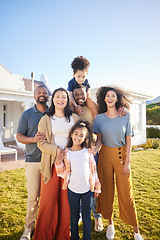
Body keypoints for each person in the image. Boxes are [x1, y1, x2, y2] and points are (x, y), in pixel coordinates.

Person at [93, 86, 144, 240]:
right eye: (107, 95)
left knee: (126, 193)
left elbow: (128, 141)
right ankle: (110, 224)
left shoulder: (125, 116)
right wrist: (95, 149)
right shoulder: (99, 118)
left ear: (117, 99)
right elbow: (99, 139)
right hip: (104, 157)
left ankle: (136, 231)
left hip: (121, 156)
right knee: (106, 192)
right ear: (104, 98)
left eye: (113, 96)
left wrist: (127, 162)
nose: (110, 98)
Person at [33, 88, 79, 240]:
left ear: (67, 100)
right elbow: (41, 143)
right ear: (52, 100)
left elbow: (82, 137)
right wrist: (56, 151)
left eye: (63, 97)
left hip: (70, 165)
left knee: (66, 202)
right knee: (48, 201)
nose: (60, 99)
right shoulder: (46, 119)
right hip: (51, 164)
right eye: (57, 97)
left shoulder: (74, 117)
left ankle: (63, 236)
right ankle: (42, 236)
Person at [56, 120, 101, 240]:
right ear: (71, 135)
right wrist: (57, 163)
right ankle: (74, 237)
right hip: (73, 190)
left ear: (85, 137)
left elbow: (93, 171)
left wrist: (96, 187)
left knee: (86, 217)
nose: (78, 137)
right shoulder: (67, 153)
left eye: (81, 135)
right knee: (74, 217)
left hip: (87, 190)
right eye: (76, 134)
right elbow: (62, 172)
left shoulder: (88, 152)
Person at [17, 86, 49, 240]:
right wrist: (33, 139)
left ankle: (46, 226)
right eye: (39, 92)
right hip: (32, 161)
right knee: (33, 197)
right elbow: (19, 136)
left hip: (51, 162)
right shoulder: (27, 114)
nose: (42, 94)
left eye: (44, 92)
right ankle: (29, 228)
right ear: (34, 95)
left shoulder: (54, 112)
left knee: (48, 197)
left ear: (48, 95)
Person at [71, 84, 103, 232]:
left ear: (86, 94)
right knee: (79, 183)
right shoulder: (71, 109)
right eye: (76, 94)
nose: (80, 97)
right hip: (77, 153)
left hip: (92, 152)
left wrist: (97, 146)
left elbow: (100, 130)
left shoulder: (92, 108)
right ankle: (77, 216)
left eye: (82, 94)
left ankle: (97, 216)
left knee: (93, 182)